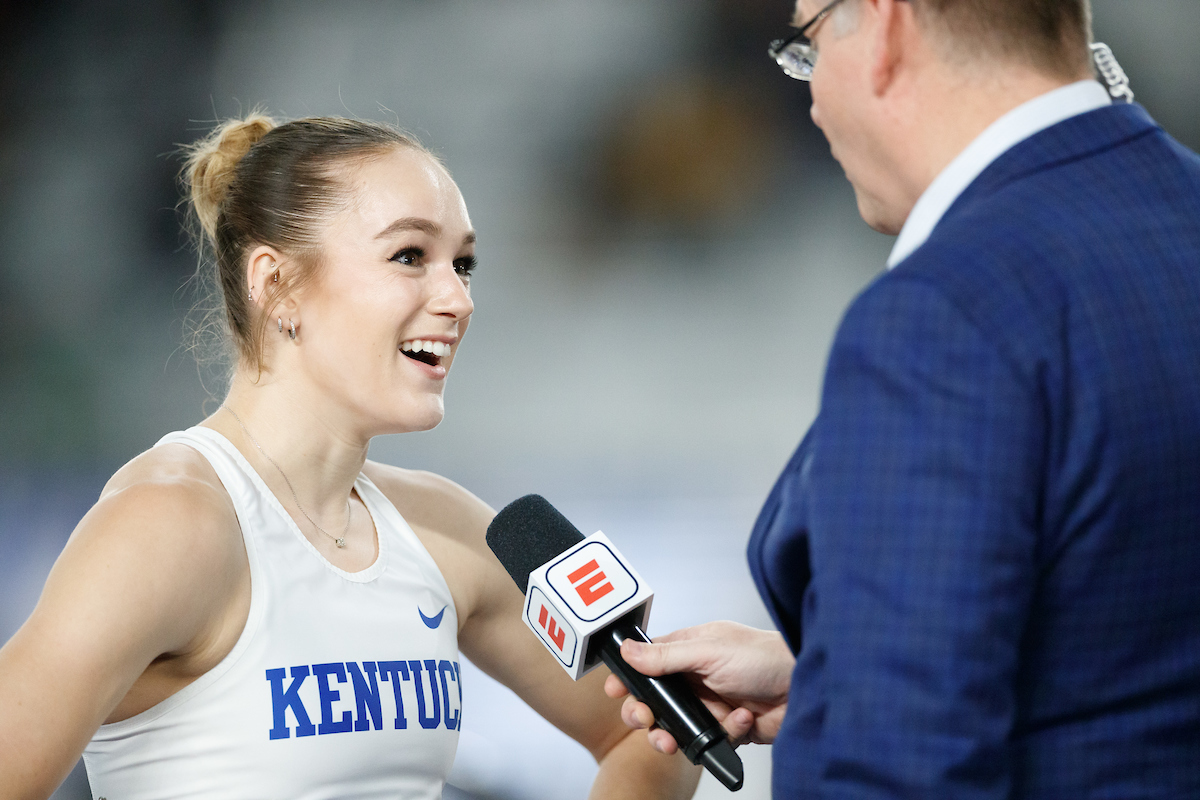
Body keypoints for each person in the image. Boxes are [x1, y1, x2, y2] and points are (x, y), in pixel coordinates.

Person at [0, 114, 700, 799]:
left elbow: (654, 729)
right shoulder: (170, 523)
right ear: (276, 284)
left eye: (463, 264)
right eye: (409, 257)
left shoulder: (445, 529)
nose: (458, 298)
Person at [606, 0, 1200, 796]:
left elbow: (896, 774)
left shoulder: (945, 314)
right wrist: (833, 678)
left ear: (883, 27)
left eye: (805, 48)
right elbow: (1123, 647)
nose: (810, 98)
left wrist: (863, 714)